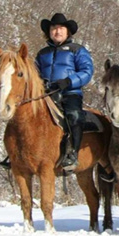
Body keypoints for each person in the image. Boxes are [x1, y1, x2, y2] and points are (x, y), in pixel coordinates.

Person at [36, 12, 94, 172]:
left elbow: (87, 71)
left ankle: (73, 153)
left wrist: (68, 82)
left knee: (74, 116)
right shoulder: (42, 53)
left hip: (70, 93)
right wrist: (41, 84)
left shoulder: (77, 50)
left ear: (68, 31)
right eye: (54, 28)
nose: (57, 31)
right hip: (46, 93)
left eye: (61, 28)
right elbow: (34, 73)